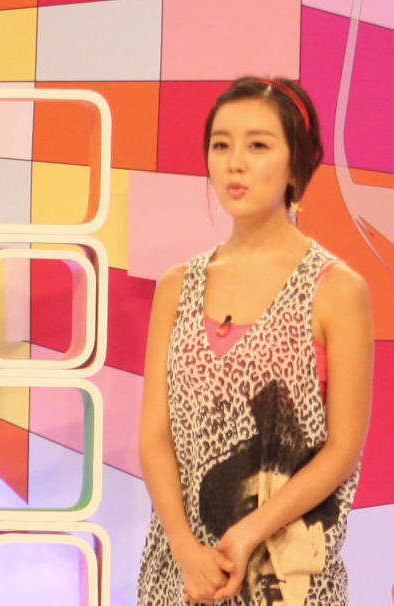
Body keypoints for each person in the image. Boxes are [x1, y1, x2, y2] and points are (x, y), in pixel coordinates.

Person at [137, 77, 373, 606]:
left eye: (258, 145)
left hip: (287, 576)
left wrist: (247, 534)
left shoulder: (336, 289)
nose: (235, 163)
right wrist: (184, 547)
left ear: (296, 165)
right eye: (221, 145)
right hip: (181, 575)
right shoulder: (177, 285)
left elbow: (342, 449)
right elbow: (155, 434)